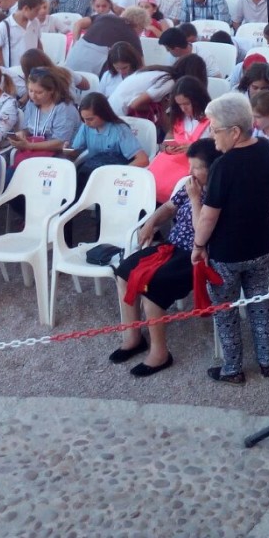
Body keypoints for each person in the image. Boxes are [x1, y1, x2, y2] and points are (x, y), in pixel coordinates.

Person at [108, 137, 217, 377]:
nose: (191, 172)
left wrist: (195, 199)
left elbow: (202, 233)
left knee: (151, 287)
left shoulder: (217, 192)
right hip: (173, 246)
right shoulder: (190, 183)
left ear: (213, 167)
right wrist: (151, 223)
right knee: (124, 272)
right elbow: (169, 207)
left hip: (197, 255)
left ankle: (160, 354)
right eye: (190, 166)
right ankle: (133, 336)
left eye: (197, 167)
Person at [191, 94, 269, 384]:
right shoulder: (266, 149)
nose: (211, 136)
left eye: (214, 130)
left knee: (225, 312)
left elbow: (208, 216)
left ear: (235, 132)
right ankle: (267, 361)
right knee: (259, 301)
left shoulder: (222, 167)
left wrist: (198, 246)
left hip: (228, 253)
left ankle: (232, 368)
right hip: (262, 244)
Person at [65, 91, 150, 188]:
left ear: (103, 114)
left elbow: (143, 159)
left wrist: (118, 174)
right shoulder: (86, 127)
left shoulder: (120, 130)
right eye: (83, 119)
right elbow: (76, 152)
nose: (86, 123)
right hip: (93, 171)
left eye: (90, 119)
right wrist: (67, 150)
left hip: (114, 174)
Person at [147, 76, 211, 203]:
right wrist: (167, 146)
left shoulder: (211, 120)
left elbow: (213, 149)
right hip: (170, 163)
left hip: (191, 166)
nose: (183, 108)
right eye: (179, 104)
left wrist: (193, 148)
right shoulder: (180, 117)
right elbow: (167, 140)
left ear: (198, 99)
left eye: (187, 104)